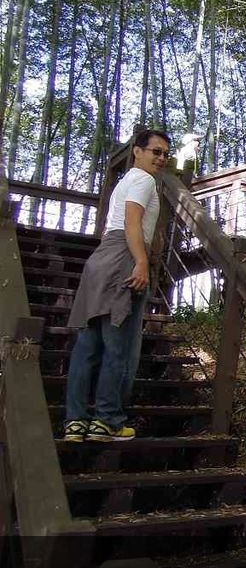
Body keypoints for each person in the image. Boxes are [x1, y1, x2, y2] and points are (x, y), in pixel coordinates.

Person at [62, 129, 171, 442]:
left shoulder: (124, 183)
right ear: (137, 151)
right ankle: (107, 420)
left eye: (165, 153)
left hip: (100, 261)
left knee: (88, 347)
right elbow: (132, 222)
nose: (161, 158)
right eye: (155, 151)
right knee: (117, 346)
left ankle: (76, 421)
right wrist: (140, 261)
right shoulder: (144, 180)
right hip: (123, 257)